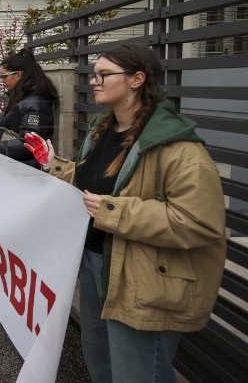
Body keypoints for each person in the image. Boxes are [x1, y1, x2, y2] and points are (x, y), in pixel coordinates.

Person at [24, 44, 226, 383]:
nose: (95, 82)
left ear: (137, 79)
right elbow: (94, 185)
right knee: (100, 365)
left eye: (104, 75)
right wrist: (54, 166)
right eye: (94, 75)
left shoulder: (179, 149)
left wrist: (114, 212)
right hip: (94, 265)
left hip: (142, 282)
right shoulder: (103, 130)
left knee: (138, 375)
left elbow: (200, 223)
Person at [0, 48, 57, 170]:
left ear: (18, 75)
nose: (1, 81)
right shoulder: (20, 97)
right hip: (15, 166)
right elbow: (8, 133)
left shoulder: (35, 102)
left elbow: (29, 144)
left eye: (4, 76)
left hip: (25, 171)